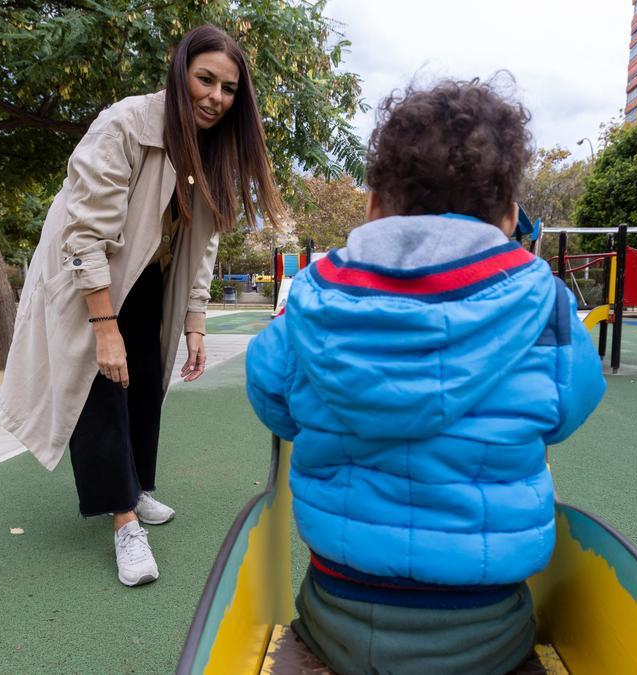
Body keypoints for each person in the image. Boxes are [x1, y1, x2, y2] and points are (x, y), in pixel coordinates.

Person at [245, 77, 606, 673]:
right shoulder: (547, 308)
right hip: (487, 628)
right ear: (511, 217)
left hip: (340, 613)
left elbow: (273, 402)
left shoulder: (313, 301)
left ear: (371, 206)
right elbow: (568, 411)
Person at [0, 25, 283, 587]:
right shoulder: (125, 123)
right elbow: (84, 235)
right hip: (93, 280)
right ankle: (124, 520)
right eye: (206, 79)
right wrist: (104, 326)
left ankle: (137, 487)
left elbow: (204, 244)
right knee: (100, 389)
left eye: (228, 89)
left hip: (149, 279)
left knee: (146, 383)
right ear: (180, 71)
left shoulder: (211, 150)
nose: (215, 98)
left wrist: (195, 321)